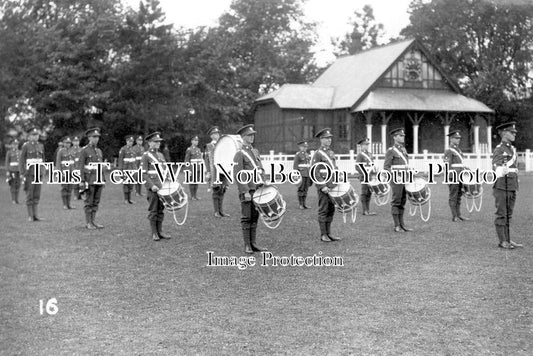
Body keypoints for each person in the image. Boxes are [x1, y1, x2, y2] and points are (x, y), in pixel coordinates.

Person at [233, 124, 267, 253]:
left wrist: (264, 182)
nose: (252, 137)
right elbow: (238, 174)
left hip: (257, 189)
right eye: (249, 135)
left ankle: (253, 243)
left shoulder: (255, 151)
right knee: (247, 217)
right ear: (243, 137)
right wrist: (245, 191)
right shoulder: (239, 154)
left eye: (252, 135)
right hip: (248, 190)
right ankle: (247, 245)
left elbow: (260, 168)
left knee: (255, 216)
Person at [492, 121, 522, 249]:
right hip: (502, 185)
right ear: (504, 133)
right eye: (512, 132)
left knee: (509, 215)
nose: (514, 134)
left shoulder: (511, 149)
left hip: (511, 185)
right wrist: (501, 170)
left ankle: (508, 239)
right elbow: (496, 167)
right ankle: (502, 241)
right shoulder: (500, 149)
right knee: (502, 214)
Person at [310, 128, 341, 242]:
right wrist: (322, 186)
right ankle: (323, 234)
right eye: (326, 138)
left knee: (331, 209)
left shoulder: (331, 152)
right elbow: (314, 171)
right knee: (323, 209)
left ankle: (329, 233)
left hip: (332, 185)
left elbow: (334, 168)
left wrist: (338, 179)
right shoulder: (318, 154)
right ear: (321, 139)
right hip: (324, 186)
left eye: (330, 138)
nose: (329, 140)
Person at [141, 131, 172, 241]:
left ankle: (160, 231)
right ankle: (154, 233)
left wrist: (170, 181)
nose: (158, 143)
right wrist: (151, 185)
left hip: (162, 186)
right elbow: (144, 173)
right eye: (156, 141)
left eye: (159, 141)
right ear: (150, 143)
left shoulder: (160, 155)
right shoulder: (146, 156)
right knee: (154, 210)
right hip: (153, 188)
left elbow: (165, 170)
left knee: (161, 209)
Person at [383, 127, 413, 233]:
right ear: (395, 137)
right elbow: (386, 167)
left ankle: (402, 224)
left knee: (402, 201)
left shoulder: (403, 150)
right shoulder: (391, 151)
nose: (403, 137)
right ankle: (396, 226)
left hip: (404, 178)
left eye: (403, 135)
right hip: (396, 179)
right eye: (400, 135)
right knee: (396, 201)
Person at [78, 128, 105, 229]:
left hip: (98, 179)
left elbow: (100, 166)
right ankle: (88, 222)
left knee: (96, 202)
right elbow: (80, 167)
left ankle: (93, 221)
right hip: (89, 179)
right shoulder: (84, 150)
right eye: (94, 137)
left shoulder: (99, 151)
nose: (96, 139)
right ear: (89, 138)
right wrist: (82, 180)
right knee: (89, 202)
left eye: (97, 137)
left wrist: (103, 179)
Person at [19, 127, 45, 221]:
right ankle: (30, 216)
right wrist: (22, 173)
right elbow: (22, 160)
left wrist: (43, 170)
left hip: (38, 172)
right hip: (29, 173)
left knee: (37, 194)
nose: (35, 137)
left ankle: (35, 215)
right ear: (29, 137)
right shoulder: (26, 146)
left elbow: (43, 159)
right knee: (30, 194)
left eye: (37, 135)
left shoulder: (41, 145)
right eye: (33, 135)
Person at [443, 130, 470, 222]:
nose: (458, 140)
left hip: (460, 175)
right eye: (456, 138)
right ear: (451, 139)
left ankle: (459, 215)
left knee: (459, 196)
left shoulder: (458, 150)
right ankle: (454, 216)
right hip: (453, 176)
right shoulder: (449, 151)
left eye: (459, 138)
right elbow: (447, 165)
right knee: (453, 196)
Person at [204, 126, 230, 217]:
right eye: (214, 134)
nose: (216, 135)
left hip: (223, 170)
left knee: (223, 190)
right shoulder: (209, 146)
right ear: (211, 136)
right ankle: (216, 211)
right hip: (214, 171)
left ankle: (221, 211)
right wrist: (208, 171)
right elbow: (206, 160)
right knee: (216, 190)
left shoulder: (223, 145)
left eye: (217, 133)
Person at [355, 138, 377, 216]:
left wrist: (374, 172)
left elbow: (372, 165)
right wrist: (364, 173)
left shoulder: (370, 154)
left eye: (367, 145)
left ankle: (368, 210)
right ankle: (365, 210)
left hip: (370, 177)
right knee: (364, 193)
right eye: (365, 145)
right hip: (364, 177)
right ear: (361, 146)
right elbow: (357, 167)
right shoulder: (360, 155)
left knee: (369, 193)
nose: (366, 146)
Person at [56, 136, 76, 209]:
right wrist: (59, 173)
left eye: (69, 143)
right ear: (63, 143)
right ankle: (64, 204)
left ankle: (69, 204)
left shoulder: (72, 151)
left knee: (70, 188)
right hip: (64, 172)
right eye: (66, 143)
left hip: (71, 172)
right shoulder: (60, 151)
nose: (68, 144)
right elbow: (58, 163)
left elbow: (73, 163)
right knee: (64, 188)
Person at [117, 135, 137, 204]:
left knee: (131, 184)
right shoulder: (123, 149)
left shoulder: (133, 149)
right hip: (126, 169)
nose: (131, 143)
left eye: (132, 141)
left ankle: (129, 199)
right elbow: (120, 160)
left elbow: (134, 160)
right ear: (126, 141)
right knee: (126, 184)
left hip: (132, 169)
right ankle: (126, 199)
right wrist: (120, 171)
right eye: (129, 141)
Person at [293, 140, 312, 210]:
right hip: (301, 174)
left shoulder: (307, 154)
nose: (305, 148)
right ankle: (301, 204)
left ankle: (304, 204)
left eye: (306, 147)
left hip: (307, 174)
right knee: (301, 189)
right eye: (303, 147)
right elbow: (295, 165)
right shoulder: (298, 155)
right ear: (300, 147)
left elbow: (308, 165)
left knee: (305, 189)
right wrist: (296, 175)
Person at [184, 135, 203, 200]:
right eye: (195, 140)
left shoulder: (198, 149)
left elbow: (200, 159)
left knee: (196, 182)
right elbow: (186, 160)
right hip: (192, 168)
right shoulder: (189, 149)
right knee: (192, 182)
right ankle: (192, 196)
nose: (196, 142)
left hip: (198, 168)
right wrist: (188, 170)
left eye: (197, 140)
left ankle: (195, 195)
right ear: (192, 141)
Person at [5, 138, 21, 204]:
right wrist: (7, 171)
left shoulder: (20, 152)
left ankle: (17, 199)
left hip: (19, 170)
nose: (15, 146)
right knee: (13, 185)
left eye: (16, 144)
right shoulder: (9, 152)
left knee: (18, 185)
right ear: (11, 145)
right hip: (12, 170)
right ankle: (13, 200)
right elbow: (7, 162)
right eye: (14, 144)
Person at [71, 136, 83, 200]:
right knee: (75, 183)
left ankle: (80, 195)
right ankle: (76, 195)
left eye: (77, 141)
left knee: (81, 182)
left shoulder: (81, 150)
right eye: (75, 141)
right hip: (74, 168)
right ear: (72, 142)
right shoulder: (70, 150)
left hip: (80, 168)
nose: (76, 143)